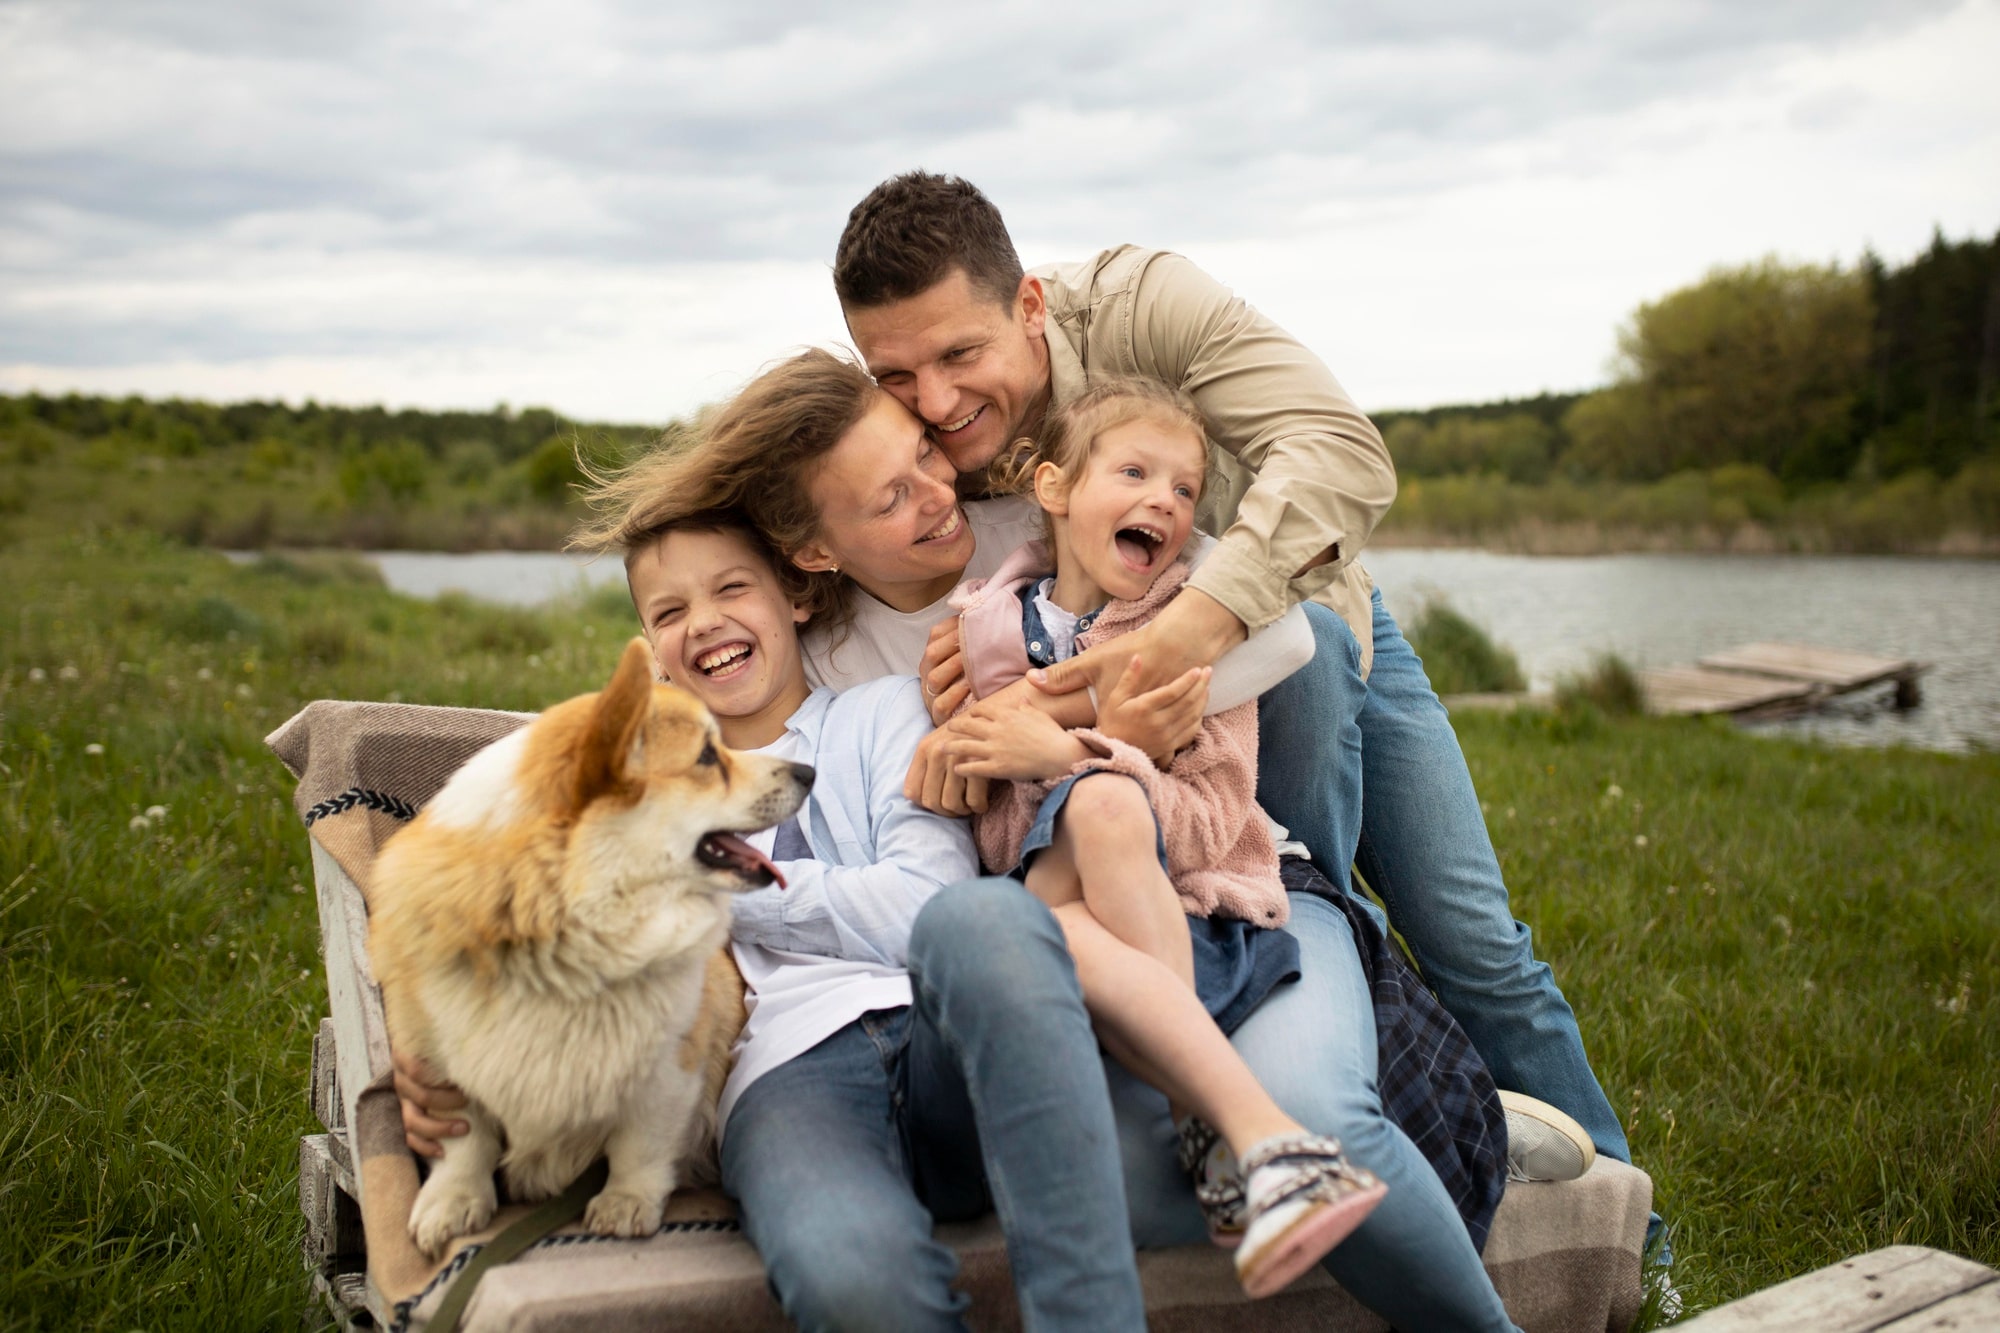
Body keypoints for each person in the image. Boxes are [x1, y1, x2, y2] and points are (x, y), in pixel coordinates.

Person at [581, 350, 1523, 1331]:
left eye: (922, 458)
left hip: (1195, 881)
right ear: (811, 560)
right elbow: (550, 876)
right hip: (1036, 937)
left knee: (1270, 1088)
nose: (936, 496)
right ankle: (1277, 1122)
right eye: (889, 498)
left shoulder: (1022, 540)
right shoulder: (810, 672)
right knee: (1080, 1097)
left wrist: (1054, 719)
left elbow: (1298, 646)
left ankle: (1337, 1144)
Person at [831, 170, 1631, 1193]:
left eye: (959, 354)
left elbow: (1340, 449)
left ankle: (1620, 1232)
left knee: (1467, 937)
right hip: (1123, 726)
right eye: (895, 374)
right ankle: (1386, 1132)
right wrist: (967, 640)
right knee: (1292, 915)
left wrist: (1180, 636)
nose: (935, 403)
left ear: (1028, 305)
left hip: (1298, 632)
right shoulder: (913, 426)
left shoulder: (1142, 305)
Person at [621, 510, 1146, 1331]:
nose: (706, 623)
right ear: (651, 648)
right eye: (669, 611)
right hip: (784, 1074)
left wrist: (716, 888)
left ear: (792, 597)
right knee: (853, 1278)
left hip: (942, 1032)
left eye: (732, 588)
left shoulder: (881, 713)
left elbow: (922, 906)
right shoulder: (640, 788)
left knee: (985, 916)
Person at [947, 374, 1387, 1295]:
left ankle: (1233, 1132)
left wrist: (1079, 754)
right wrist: (1074, 758)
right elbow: (996, 841)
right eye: (1136, 471)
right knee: (1077, 848)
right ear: (1055, 486)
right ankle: (1249, 1135)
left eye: (1185, 490)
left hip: (1180, 911)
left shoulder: (1194, 631)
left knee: (1106, 807)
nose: (1165, 501)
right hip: (1063, 916)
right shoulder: (985, 629)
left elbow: (1209, 827)